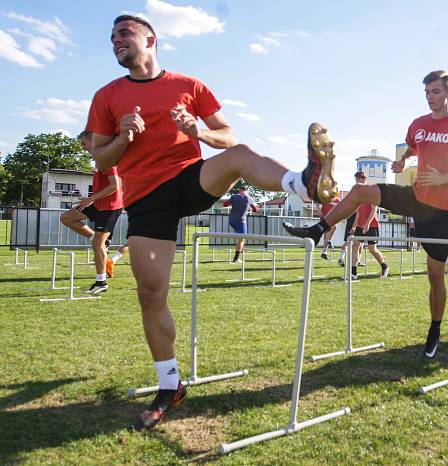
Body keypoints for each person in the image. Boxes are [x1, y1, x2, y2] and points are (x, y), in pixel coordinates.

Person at [87, 15, 337, 431]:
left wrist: (199, 130)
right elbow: (100, 159)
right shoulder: (107, 95)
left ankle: (304, 185)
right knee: (151, 294)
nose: (116, 41)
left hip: (188, 178)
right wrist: (123, 138)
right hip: (145, 199)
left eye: (124, 34)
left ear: (150, 39)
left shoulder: (189, 86)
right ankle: (170, 385)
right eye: (112, 36)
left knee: (238, 156)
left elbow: (227, 135)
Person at [284, 70, 448, 359]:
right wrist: (402, 161)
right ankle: (318, 229)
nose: (430, 97)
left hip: (441, 210)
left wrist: (444, 178)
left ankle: (435, 329)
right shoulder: (418, 124)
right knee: (361, 190)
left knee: (435, 275)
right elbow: (413, 147)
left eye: (436, 92)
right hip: (414, 196)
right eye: (427, 92)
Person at [60, 130, 127, 293]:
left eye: (84, 144)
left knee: (97, 244)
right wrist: (93, 199)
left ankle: (101, 283)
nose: (83, 147)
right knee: (67, 217)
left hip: (110, 207)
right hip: (98, 204)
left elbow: (114, 185)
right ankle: (100, 240)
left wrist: (90, 198)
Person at [350, 176, 389, 279]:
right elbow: (358, 213)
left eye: (360, 180)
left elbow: (374, 210)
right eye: (357, 180)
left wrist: (367, 224)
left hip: (372, 225)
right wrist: (354, 226)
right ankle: (353, 273)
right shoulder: (358, 196)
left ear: (365, 180)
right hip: (360, 226)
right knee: (355, 246)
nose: (358, 182)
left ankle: (385, 267)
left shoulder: (372, 193)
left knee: (372, 249)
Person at [223, 186, 259, 263]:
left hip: (232, 220)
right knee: (241, 240)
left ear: (240, 190)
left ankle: (238, 256)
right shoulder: (249, 198)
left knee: (240, 239)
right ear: (247, 191)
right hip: (241, 221)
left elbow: (225, 204)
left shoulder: (234, 196)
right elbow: (256, 210)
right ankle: (236, 259)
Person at [319, 194, 340, 260]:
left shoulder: (338, 200)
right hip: (324, 217)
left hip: (332, 218)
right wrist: (319, 211)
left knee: (333, 228)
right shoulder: (325, 197)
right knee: (327, 234)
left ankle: (324, 251)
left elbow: (339, 210)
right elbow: (317, 201)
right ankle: (325, 250)